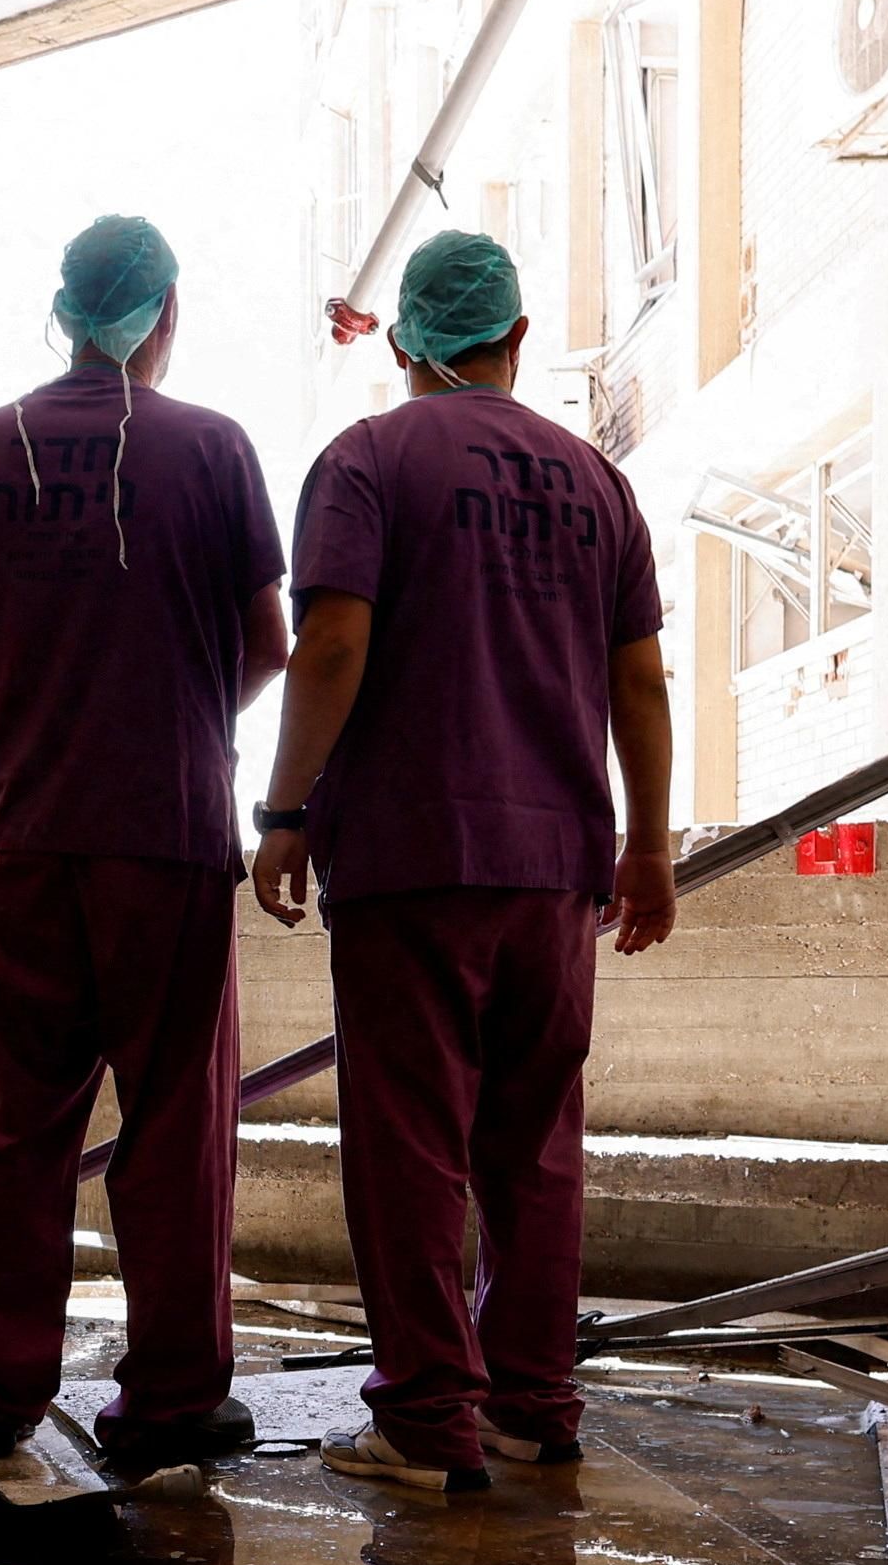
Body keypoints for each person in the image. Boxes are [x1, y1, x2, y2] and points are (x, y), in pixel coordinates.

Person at [248, 231, 677, 1497]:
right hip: (556, 866)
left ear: (403, 343)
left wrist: (281, 807)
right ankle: (535, 1402)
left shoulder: (368, 461)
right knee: (535, 1141)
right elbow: (639, 680)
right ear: (519, 337)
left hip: (412, 854)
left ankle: (429, 1421)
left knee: (411, 1146)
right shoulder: (599, 482)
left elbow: (330, 645)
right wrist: (646, 844)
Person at [0, 213, 293, 1480]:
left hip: (22, 838)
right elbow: (270, 646)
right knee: (173, 1122)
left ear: (64, 314)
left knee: (12, 1125)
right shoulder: (214, 450)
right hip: (166, 836)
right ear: (164, 316)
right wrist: (173, 713)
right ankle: (174, 1394)